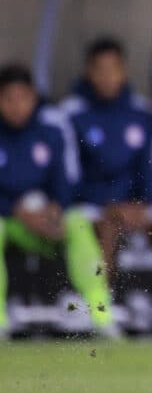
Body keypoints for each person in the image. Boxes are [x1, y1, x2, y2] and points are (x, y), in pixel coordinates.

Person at [63, 38, 152, 337]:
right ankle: (102, 314)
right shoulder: (71, 114)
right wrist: (107, 204)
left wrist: (143, 203)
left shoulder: (143, 112)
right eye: (101, 70)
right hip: (93, 207)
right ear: (89, 72)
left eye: (114, 69)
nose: (108, 77)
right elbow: (69, 175)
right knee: (105, 232)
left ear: (124, 71)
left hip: (136, 206)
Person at [0, 64, 116, 339]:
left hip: (48, 219)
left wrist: (56, 208)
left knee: (77, 223)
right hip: (10, 220)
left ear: (33, 97)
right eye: (8, 99)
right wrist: (15, 210)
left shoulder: (52, 127)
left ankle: (101, 313)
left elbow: (68, 179)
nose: (16, 107)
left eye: (22, 98)